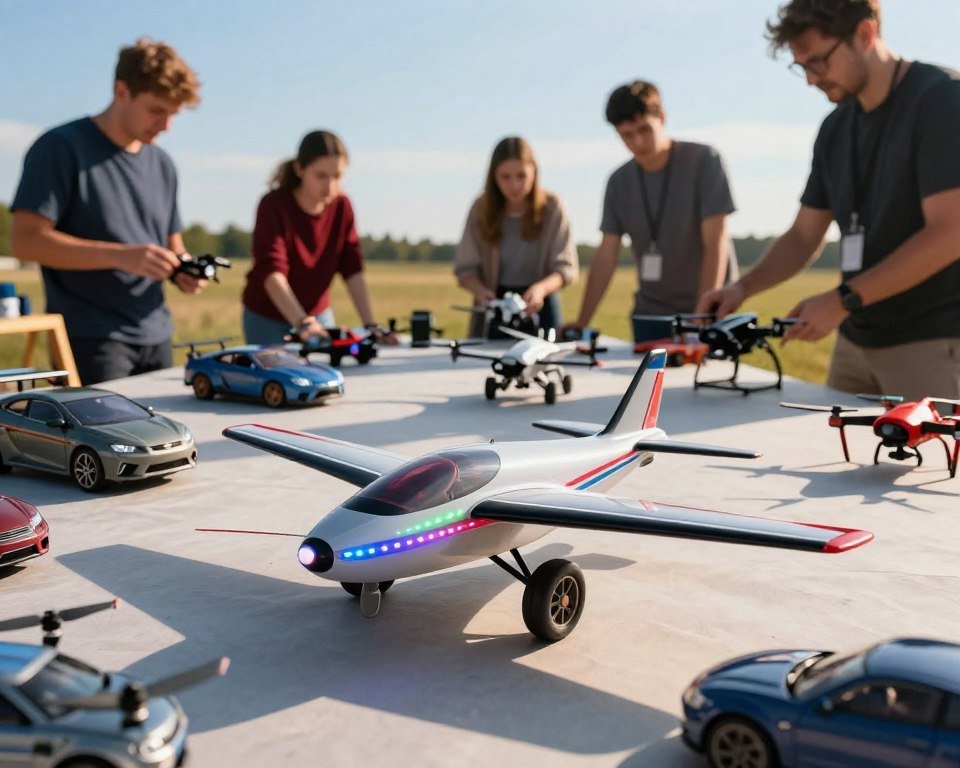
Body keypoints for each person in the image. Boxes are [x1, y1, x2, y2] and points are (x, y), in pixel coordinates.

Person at [698, 0, 960, 400]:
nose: (810, 80)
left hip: (932, 343)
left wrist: (843, 298)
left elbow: (950, 232)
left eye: (818, 61)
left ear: (865, 34)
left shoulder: (942, 100)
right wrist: (741, 288)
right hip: (855, 341)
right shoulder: (835, 128)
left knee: (931, 462)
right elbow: (804, 235)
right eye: (801, 66)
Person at [10, 37, 206, 385]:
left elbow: (171, 242)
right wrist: (122, 256)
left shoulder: (162, 163)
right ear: (121, 91)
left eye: (173, 114)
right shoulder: (59, 147)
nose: (166, 126)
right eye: (156, 110)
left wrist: (183, 269)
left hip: (157, 336)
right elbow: (26, 242)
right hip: (89, 339)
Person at [565, 81, 738, 338]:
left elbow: (716, 244)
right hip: (650, 314)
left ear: (662, 117)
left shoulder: (704, 161)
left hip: (709, 313)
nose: (638, 142)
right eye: (626, 135)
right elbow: (606, 255)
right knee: (647, 379)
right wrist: (582, 321)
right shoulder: (619, 182)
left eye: (644, 129)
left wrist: (701, 317)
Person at [241, 130, 395, 346]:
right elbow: (272, 270)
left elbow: (352, 266)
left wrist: (370, 324)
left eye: (337, 176)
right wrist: (302, 323)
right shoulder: (273, 205)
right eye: (321, 176)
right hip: (268, 318)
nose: (330, 186)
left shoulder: (342, 206)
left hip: (318, 315)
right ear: (300, 168)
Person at [453, 136, 578, 338]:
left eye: (521, 176)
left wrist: (540, 289)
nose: (514, 185)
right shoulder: (481, 208)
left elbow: (565, 268)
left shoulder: (552, 207)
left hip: (540, 306)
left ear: (534, 172)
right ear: (493, 176)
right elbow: (465, 269)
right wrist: (480, 292)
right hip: (495, 308)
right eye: (505, 177)